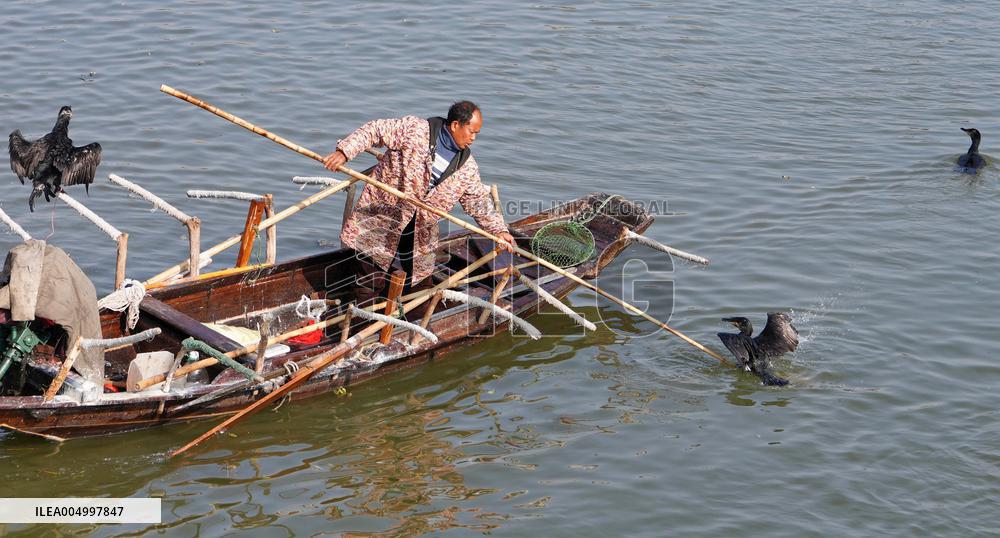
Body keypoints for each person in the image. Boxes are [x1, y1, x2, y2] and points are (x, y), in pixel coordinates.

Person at [322, 101, 515, 319]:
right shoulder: (414, 131)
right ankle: (362, 332)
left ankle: (415, 330)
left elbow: (478, 202)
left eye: (476, 134)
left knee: (420, 287)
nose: (473, 138)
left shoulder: (467, 167)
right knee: (369, 281)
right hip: (382, 220)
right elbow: (374, 129)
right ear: (455, 125)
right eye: (471, 132)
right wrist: (344, 152)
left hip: (420, 233)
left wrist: (499, 230)